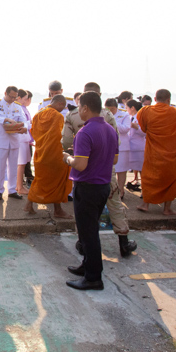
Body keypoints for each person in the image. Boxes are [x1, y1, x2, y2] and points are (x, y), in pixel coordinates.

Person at [63, 82, 137, 258]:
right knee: (114, 203)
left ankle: (83, 243)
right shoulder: (108, 116)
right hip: (105, 168)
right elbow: (116, 143)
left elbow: (66, 142)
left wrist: (71, 155)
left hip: (83, 168)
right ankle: (124, 243)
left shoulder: (73, 115)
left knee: (83, 211)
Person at [62, 92, 119, 291]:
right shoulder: (110, 130)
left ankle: (93, 277)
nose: (78, 112)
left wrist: (67, 158)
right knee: (90, 229)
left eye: (79, 108)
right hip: (102, 186)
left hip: (87, 187)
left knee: (88, 234)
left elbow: (80, 165)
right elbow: (114, 160)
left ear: (85, 108)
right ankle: (87, 266)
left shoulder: (85, 133)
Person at [136, 89, 176, 216]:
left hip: (153, 152)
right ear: (169, 100)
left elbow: (143, 128)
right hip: (172, 153)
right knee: (170, 179)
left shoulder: (146, 111)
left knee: (149, 176)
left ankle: (145, 204)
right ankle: (167, 208)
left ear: (154, 99)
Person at [25, 95, 72, 218]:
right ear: (60, 103)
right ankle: (58, 210)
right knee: (57, 181)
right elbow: (60, 136)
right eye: (63, 106)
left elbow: (33, 132)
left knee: (40, 179)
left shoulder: (38, 114)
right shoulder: (57, 116)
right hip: (55, 154)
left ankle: (29, 203)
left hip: (40, 153)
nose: (63, 109)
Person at [0, 86, 27, 201]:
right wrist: (5, 119)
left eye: (15, 97)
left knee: (13, 166)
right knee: (0, 166)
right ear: (5, 93)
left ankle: (12, 190)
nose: (12, 99)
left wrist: (24, 127)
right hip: (1, 140)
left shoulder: (17, 106)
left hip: (14, 139)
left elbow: (24, 120)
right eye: (11, 96)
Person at [109, 98, 131, 198]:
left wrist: (112, 122)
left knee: (121, 170)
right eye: (108, 109)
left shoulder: (125, 115)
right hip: (109, 146)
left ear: (116, 108)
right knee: (110, 170)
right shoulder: (103, 115)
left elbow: (126, 129)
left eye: (112, 109)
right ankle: (112, 190)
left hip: (122, 146)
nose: (110, 111)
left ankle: (121, 190)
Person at [16, 89, 34, 195]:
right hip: (21, 138)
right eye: (25, 98)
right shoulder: (18, 108)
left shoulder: (21, 108)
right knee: (21, 163)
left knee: (22, 163)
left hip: (24, 138)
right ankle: (19, 187)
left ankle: (18, 186)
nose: (27, 100)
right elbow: (21, 124)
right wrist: (32, 122)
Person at [125, 100, 145, 191]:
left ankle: (145, 190)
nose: (126, 110)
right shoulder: (130, 117)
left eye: (127, 108)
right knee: (133, 167)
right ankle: (136, 180)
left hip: (139, 147)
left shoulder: (140, 117)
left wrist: (136, 127)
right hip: (131, 146)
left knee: (142, 170)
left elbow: (145, 132)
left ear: (132, 108)